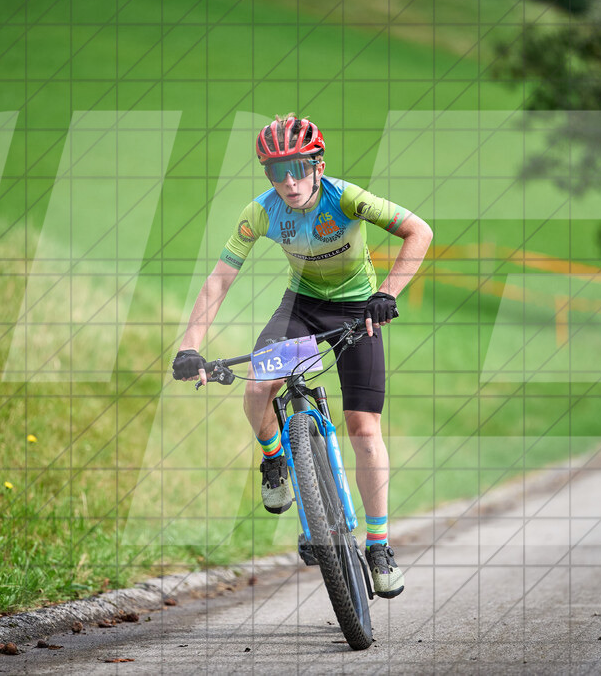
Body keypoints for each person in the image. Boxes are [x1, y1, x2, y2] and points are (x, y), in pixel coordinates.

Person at [171, 114, 432, 599]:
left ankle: (379, 546)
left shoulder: (348, 198)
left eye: (296, 168)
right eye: (275, 172)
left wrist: (388, 293)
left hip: (358, 309)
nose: (287, 182)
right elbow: (219, 278)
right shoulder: (263, 211)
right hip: (302, 308)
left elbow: (420, 231)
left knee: (363, 428)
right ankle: (275, 459)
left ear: (317, 164)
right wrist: (190, 346)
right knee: (257, 389)